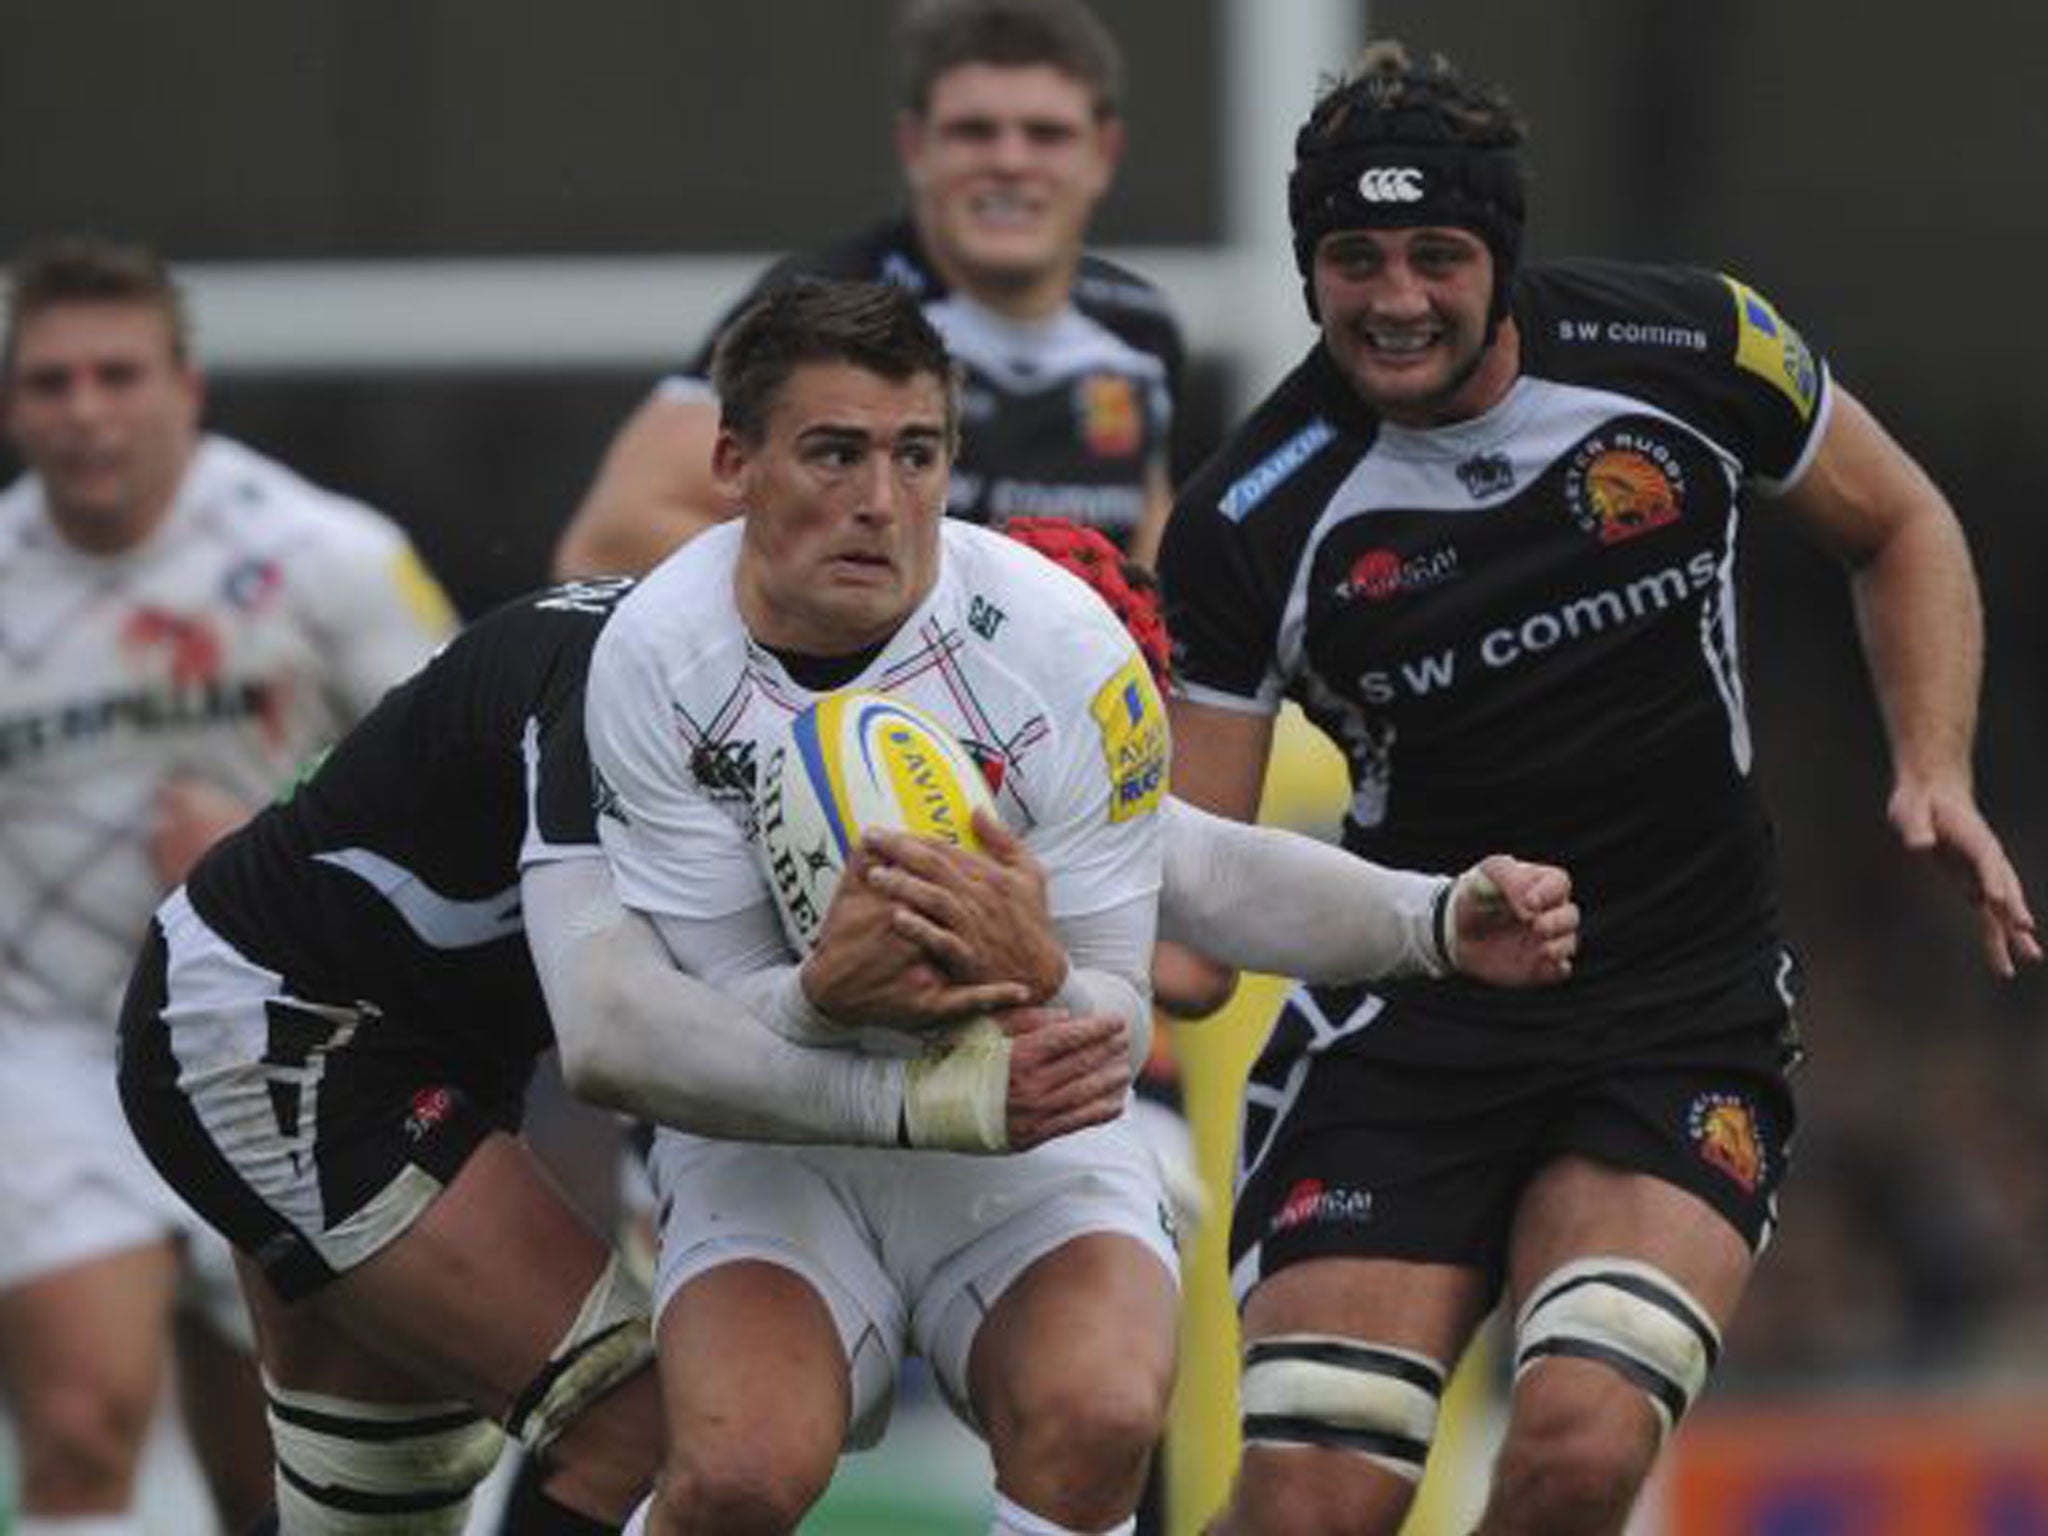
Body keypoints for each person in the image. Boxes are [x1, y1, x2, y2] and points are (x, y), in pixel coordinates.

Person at [1154, 40, 2042, 1536]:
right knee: (1310, 1501)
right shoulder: (1250, 520)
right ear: (1309, 269)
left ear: (1502, 253)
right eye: (1350, 256)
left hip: (1675, 1013)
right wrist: (1048, 944)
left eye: (1437, 252)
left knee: (1575, 1450)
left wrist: (1934, 767)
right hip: (1408, 1035)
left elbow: (1900, 523)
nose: (1394, 296)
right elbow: (1191, 888)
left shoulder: (1694, 350)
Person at [580, 279, 1580, 1536]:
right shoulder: (647, 659)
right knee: (735, 1479)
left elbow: (1126, 969)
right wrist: (822, 994)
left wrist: (1041, 963)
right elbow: (692, 1024)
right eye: (832, 452)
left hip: (1022, 1137)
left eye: (916, 454)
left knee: (1100, 1412)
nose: (878, 501)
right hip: (778, 1158)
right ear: (733, 462)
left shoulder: (1056, 642)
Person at [116, 574, 1143, 1536]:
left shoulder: (760, 670)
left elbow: (1194, 875)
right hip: (278, 1034)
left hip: (380, 1035)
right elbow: (615, 1046)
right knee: (638, 1426)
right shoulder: (650, 689)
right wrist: (922, 1082)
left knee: (378, 1502)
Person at [0, 235, 458, 1536]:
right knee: (83, 1422)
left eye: (117, 375)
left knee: (273, 1490)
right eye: (52, 382)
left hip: (272, 1055)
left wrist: (265, 843)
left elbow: (456, 802)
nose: (87, 413)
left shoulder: (325, 554)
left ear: (186, 386)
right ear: (9, 403)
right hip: (51, 1057)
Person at [552, 0, 1182, 579]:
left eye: (1047, 134)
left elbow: (1148, 556)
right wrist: (885, 625)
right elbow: (608, 544)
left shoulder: (1140, 331)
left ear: (1104, 152)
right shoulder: (820, 307)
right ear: (915, 147)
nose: (1011, 161)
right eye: (974, 131)